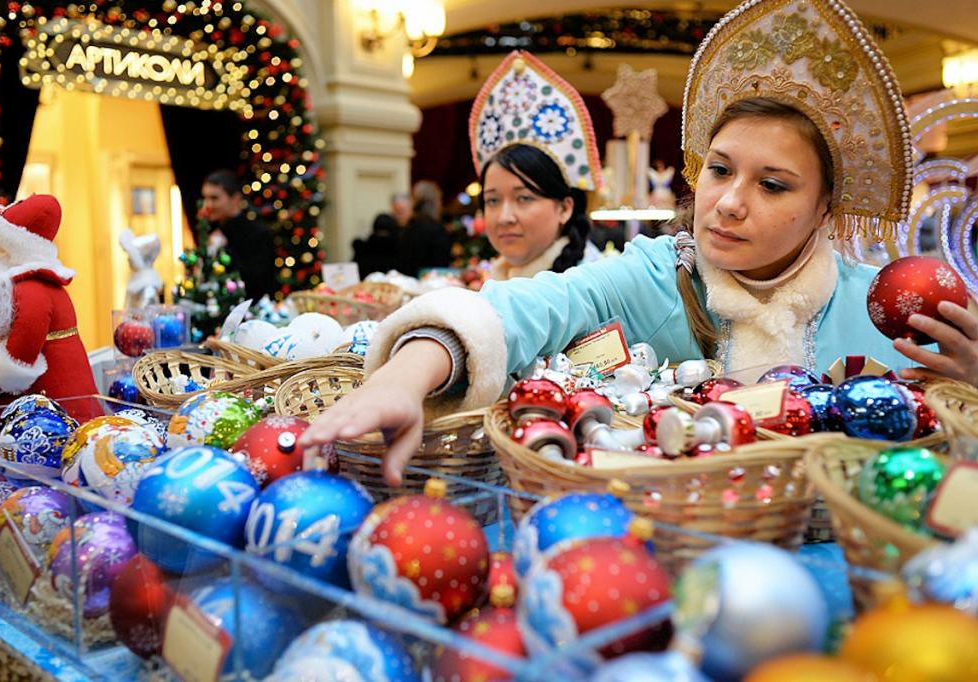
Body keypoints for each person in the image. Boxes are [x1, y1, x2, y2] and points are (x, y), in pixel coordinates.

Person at [301, 3, 978, 486]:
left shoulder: (882, 308)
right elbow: (529, 306)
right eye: (719, 169)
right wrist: (405, 372)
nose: (730, 200)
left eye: (772, 185)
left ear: (825, 206)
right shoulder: (657, 276)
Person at [0, 194, 102, 436]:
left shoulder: (31, 290)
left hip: (51, 410)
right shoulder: (24, 287)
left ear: (9, 252)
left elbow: (19, 356)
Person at [468, 53, 603, 280]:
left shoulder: (592, 287)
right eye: (492, 200)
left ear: (564, 208)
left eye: (524, 198)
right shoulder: (499, 279)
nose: (504, 217)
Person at [201, 169, 276, 301]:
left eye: (214, 198)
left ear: (235, 199)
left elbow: (258, 284)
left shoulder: (259, 234)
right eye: (205, 198)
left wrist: (224, 251)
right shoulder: (210, 231)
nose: (208, 205)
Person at [396, 180, 452, 276]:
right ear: (435, 202)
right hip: (431, 284)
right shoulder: (436, 229)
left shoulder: (409, 226)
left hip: (409, 284)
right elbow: (442, 266)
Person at [353, 192, 410, 276]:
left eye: (401, 211)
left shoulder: (411, 233)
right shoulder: (399, 243)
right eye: (396, 211)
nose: (398, 215)